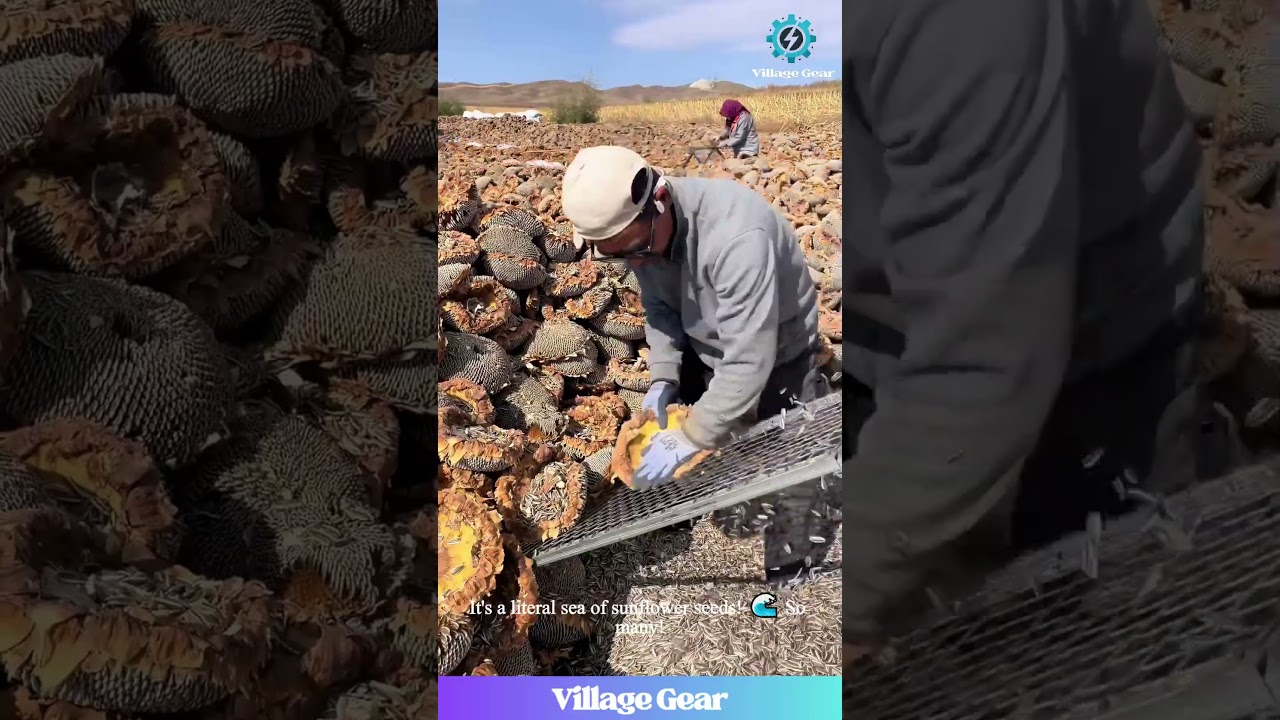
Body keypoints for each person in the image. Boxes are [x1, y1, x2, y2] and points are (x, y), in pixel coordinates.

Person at [840, 0, 1243, 667]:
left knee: (1117, 649)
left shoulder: (960, 19)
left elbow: (984, 358)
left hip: (1087, 361)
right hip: (915, 334)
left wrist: (828, 604)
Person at [560, 144, 836, 579]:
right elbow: (661, 309)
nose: (634, 262)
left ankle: (791, 567)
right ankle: (684, 505)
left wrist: (695, 434)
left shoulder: (737, 237)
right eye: (617, 254)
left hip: (778, 348)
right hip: (703, 336)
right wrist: (663, 377)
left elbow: (748, 360)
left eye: (636, 249)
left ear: (660, 200)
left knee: (790, 463)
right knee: (683, 421)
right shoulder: (642, 237)